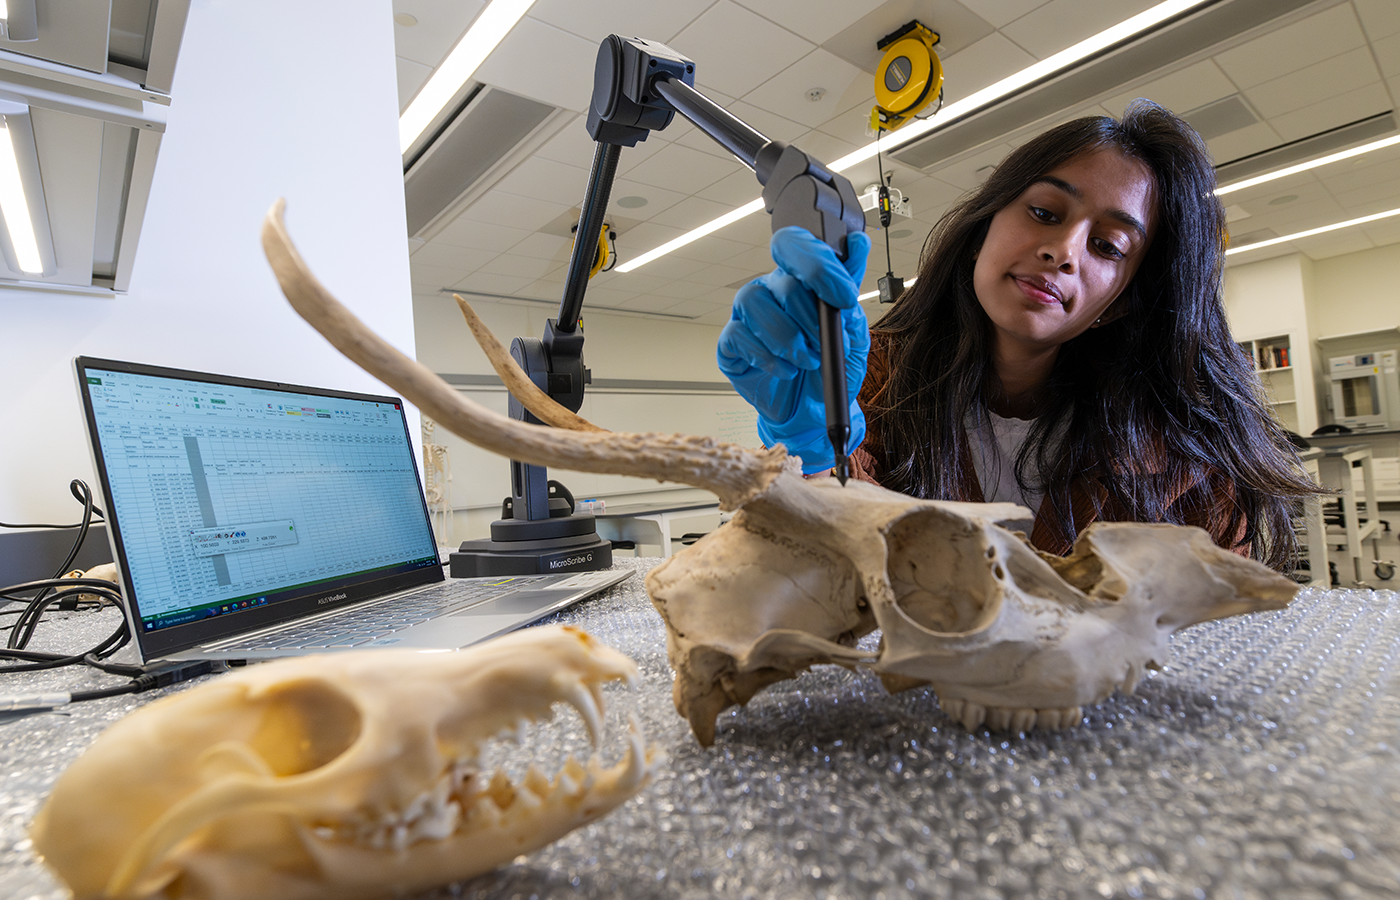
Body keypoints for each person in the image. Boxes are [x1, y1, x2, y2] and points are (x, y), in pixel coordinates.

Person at [718, 99, 1318, 571]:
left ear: (1120, 304)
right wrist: (810, 453)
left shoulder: (1182, 450)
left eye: (1108, 246)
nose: (1064, 250)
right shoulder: (872, 379)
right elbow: (817, 570)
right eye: (1045, 213)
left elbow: (1211, 627)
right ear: (983, 231)